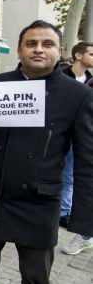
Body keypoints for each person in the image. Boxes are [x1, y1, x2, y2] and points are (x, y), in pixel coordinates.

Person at [0, 20, 93, 283]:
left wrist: (84, 219)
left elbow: (87, 160)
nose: (38, 49)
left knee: (35, 277)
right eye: (30, 43)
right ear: (19, 50)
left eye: (47, 44)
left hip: (38, 202)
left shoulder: (78, 96)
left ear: (61, 50)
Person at [59, 41, 93, 228]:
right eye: (91, 54)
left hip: (79, 137)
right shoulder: (60, 76)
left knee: (70, 175)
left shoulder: (90, 81)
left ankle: (64, 212)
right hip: (57, 134)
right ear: (79, 55)